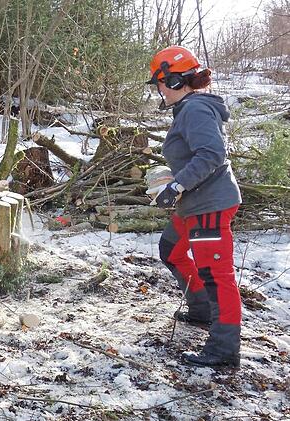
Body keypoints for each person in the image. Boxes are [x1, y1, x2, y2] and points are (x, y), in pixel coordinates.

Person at [146, 46, 242, 368]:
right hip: (193, 203)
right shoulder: (189, 109)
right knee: (170, 250)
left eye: (159, 83)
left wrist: (176, 186)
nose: (158, 90)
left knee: (217, 276)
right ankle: (200, 309)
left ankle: (224, 349)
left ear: (173, 81)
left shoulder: (195, 110)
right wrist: (172, 179)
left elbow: (212, 155)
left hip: (210, 204)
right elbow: (197, 156)